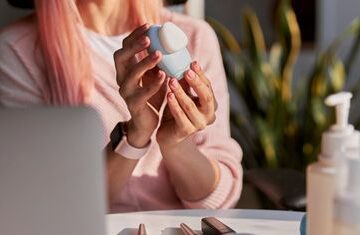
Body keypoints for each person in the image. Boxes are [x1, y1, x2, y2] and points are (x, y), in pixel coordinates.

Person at [0, 0, 243, 213]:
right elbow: (51, 206)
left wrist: (176, 144)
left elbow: (219, 198)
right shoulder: (19, 50)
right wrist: (134, 136)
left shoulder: (194, 36)